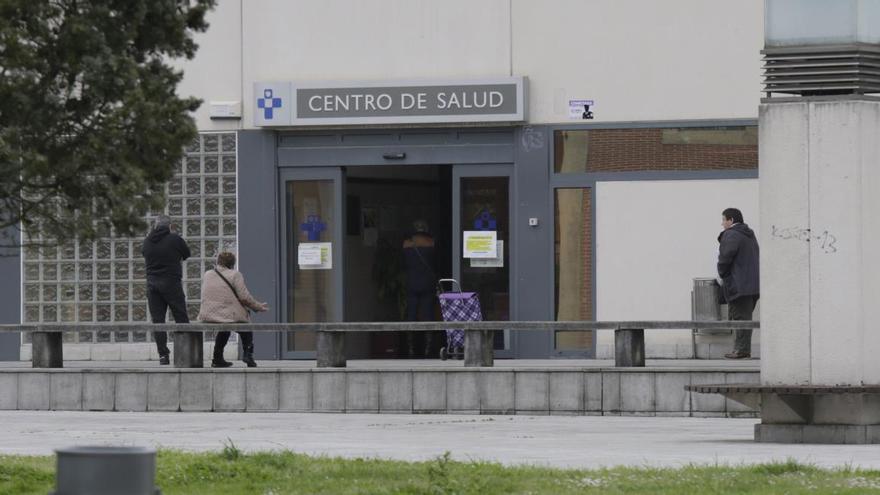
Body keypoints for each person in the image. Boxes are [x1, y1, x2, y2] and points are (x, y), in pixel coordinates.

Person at [198, 251, 269, 367]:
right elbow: (244, 297)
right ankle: (248, 355)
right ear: (232, 264)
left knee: (225, 326)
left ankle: (217, 358)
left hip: (208, 314)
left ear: (218, 262)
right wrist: (258, 307)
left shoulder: (208, 274)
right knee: (245, 324)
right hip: (225, 313)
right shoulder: (235, 275)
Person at [142, 215, 191, 365]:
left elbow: (145, 254)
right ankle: (185, 354)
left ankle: (163, 355)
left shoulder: (147, 241)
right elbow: (187, 254)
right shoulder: (174, 239)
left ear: (155, 226)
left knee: (158, 321)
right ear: (170, 226)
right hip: (171, 283)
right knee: (181, 318)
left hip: (152, 285)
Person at [717, 207, 760, 359]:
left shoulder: (732, 234)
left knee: (740, 319)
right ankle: (742, 349)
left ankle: (741, 350)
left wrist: (722, 274)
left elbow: (725, 258)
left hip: (739, 284)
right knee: (745, 318)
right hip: (753, 285)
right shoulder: (749, 234)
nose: (722, 224)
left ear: (731, 220)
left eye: (723, 220)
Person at [402, 219, 437, 357]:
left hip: (411, 283)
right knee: (428, 315)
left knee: (411, 315)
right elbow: (435, 263)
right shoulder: (431, 243)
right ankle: (428, 348)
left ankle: (410, 348)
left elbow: (403, 264)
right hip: (427, 284)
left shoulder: (406, 244)